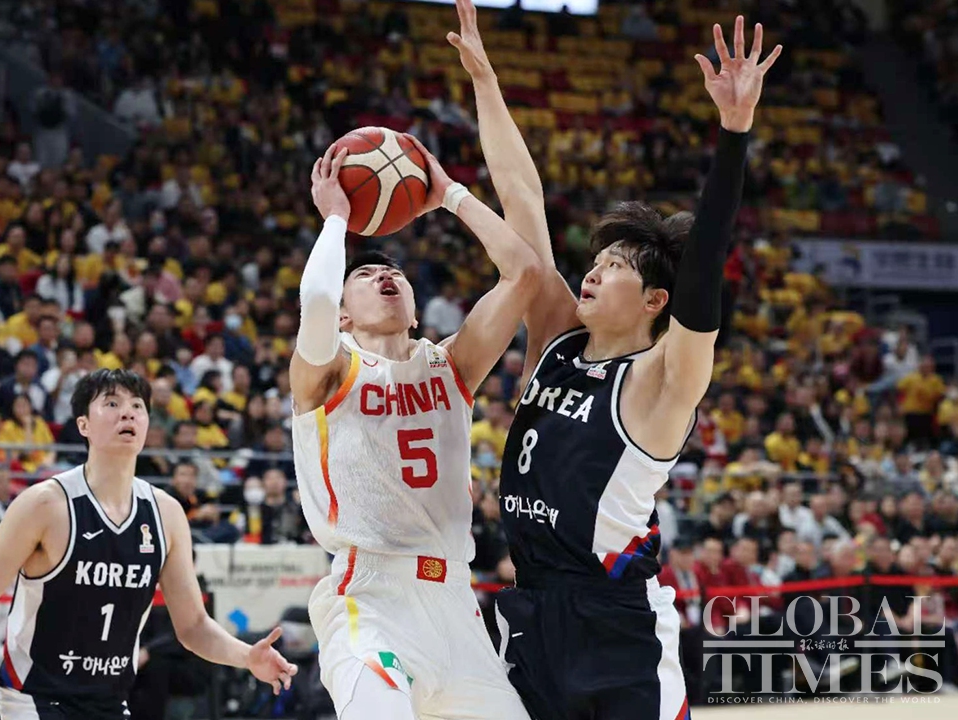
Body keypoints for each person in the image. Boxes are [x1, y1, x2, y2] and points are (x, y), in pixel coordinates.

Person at [461, 0, 782, 714]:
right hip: (531, 612)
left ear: (654, 301)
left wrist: (734, 133)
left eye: (616, 268)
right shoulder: (554, 338)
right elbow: (523, 197)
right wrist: (485, 81)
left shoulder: (662, 381)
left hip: (617, 627)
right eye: (597, 261)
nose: (595, 272)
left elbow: (703, 274)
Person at [291, 127, 539, 716]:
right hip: (370, 597)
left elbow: (524, 274)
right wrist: (336, 220)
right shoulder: (329, 371)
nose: (385, 277)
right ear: (345, 316)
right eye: (364, 276)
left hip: (456, 602)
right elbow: (317, 302)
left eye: (394, 273)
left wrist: (450, 194)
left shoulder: (452, 364)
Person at [0, 369, 296, 720]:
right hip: (35, 700)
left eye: (137, 406)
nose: (127, 413)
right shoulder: (44, 505)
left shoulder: (166, 514)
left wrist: (247, 656)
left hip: (110, 702)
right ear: (83, 424)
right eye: (111, 403)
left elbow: (194, 626)